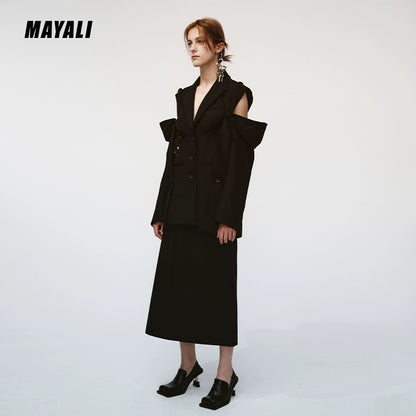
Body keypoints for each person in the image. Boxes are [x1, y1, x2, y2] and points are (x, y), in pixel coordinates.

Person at [145, 17, 267, 410]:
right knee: (180, 287)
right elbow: (173, 156)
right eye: (189, 43)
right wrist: (161, 209)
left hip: (215, 211)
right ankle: (188, 365)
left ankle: (225, 373)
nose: (193, 49)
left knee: (217, 290)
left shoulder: (237, 94)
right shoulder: (183, 96)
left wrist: (230, 217)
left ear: (219, 47)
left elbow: (240, 162)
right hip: (180, 206)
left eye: (200, 42)